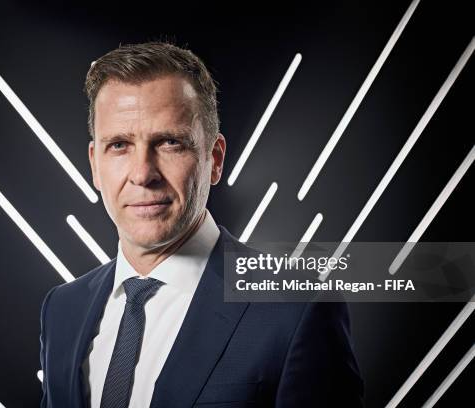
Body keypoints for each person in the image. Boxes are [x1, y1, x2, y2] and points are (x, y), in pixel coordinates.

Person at [39, 41, 364, 407]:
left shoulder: (296, 307)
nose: (143, 174)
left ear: (215, 158)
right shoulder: (62, 309)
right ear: (95, 164)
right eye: (119, 145)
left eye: (170, 142)